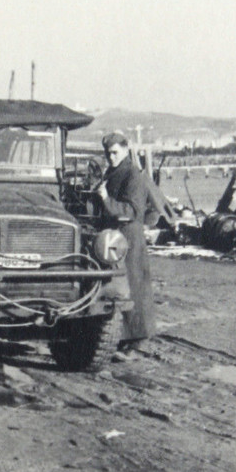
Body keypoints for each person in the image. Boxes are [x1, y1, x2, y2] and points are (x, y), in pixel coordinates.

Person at [100, 132, 157, 350]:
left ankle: (139, 340)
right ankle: (126, 337)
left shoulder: (132, 175)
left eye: (114, 152)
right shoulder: (114, 172)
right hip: (117, 236)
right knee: (121, 287)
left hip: (128, 237)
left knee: (134, 286)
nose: (111, 157)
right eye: (107, 153)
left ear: (125, 150)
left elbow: (131, 210)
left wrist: (105, 199)